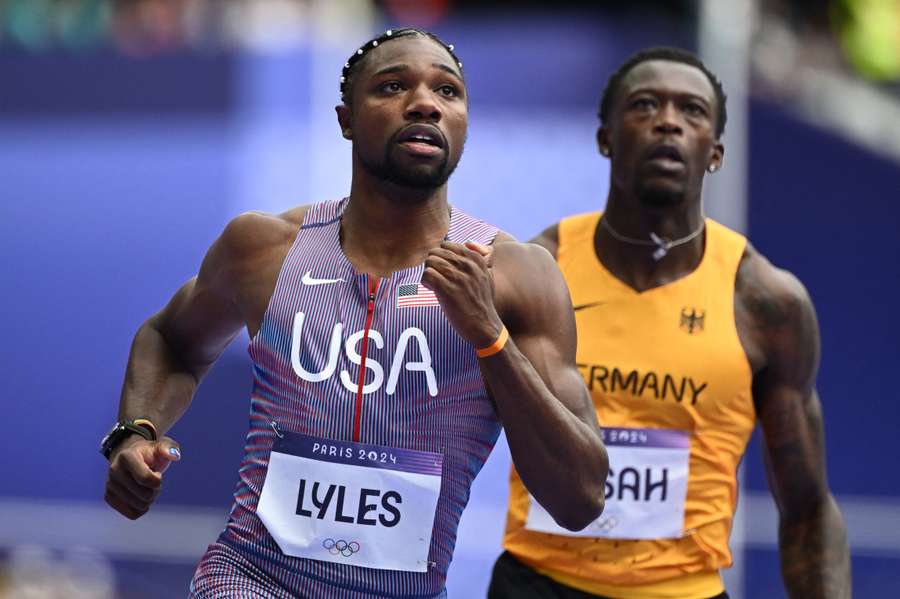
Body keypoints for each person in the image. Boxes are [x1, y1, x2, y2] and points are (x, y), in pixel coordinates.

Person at [100, 28, 609, 598]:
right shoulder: (264, 249)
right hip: (250, 579)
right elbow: (171, 339)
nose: (424, 103)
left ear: (465, 121)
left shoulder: (516, 277)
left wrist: (490, 338)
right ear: (345, 119)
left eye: (448, 91)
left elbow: (581, 499)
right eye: (393, 87)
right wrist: (134, 432)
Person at [490, 47, 851, 599]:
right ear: (605, 138)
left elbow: (806, 508)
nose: (668, 121)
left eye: (692, 111)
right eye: (644, 105)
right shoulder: (540, 271)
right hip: (535, 583)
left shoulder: (764, 302)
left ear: (715, 153)